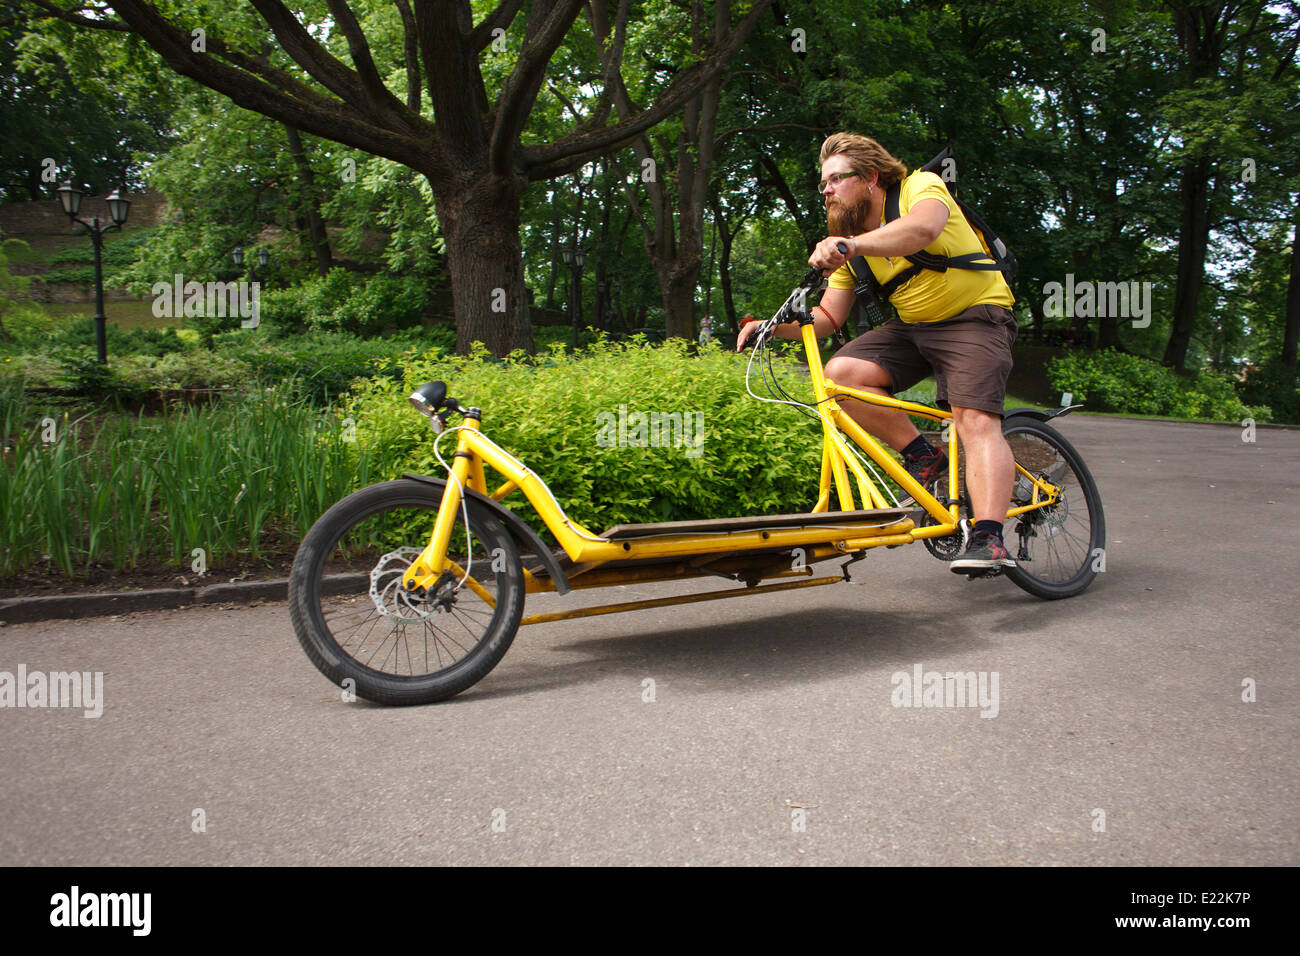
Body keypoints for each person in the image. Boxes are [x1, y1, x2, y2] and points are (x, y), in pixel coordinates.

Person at [737, 132, 1019, 576]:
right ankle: (924, 458)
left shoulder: (920, 186)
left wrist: (852, 245)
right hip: (913, 328)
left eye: (835, 179)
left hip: (974, 317)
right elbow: (828, 316)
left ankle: (989, 537)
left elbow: (922, 229)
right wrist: (769, 329)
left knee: (974, 420)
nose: (826, 189)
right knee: (842, 373)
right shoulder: (850, 241)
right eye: (823, 183)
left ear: (870, 177)